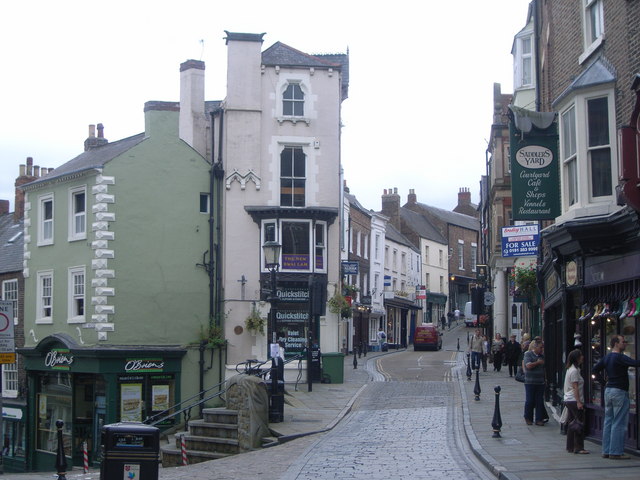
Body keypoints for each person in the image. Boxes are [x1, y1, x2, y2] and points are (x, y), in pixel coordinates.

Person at [593, 334, 640, 459]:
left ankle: (606, 450)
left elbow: (594, 370)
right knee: (618, 422)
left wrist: (604, 383)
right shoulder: (620, 357)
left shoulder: (607, 357)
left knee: (608, 420)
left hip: (608, 391)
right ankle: (616, 452)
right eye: (622, 342)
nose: (624, 343)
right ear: (616, 344)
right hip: (619, 391)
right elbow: (636, 363)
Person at [563, 349, 588, 454]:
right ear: (577, 358)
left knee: (572, 423)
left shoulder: (573, 369)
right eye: (581, 355)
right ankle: (578, 447)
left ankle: (571, 446)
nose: (582, 357)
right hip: (573, 399)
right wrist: (578, 402)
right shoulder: (574, 371)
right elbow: (575, 387)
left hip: (569, 399)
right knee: (578, 423)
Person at [523, 339, 546, 426]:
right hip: (530, 382)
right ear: (535, 347)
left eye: (542, 347)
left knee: (539, 401)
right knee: (530, 401)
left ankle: (539, 419)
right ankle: (528, 417)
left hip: (540, 382)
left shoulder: (542, 356)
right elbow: (528, 366)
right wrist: (537, 362)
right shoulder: (528, 354)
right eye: (540, 347)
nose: (542, 349)